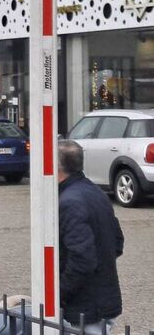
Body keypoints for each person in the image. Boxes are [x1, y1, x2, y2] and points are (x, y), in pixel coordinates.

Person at [58, 140, 124, 333]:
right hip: (100, 299)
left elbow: (82, 260)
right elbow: (117, 242)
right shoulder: (96, 192)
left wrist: (60, 293)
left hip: (85, 307)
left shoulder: (69, 202)